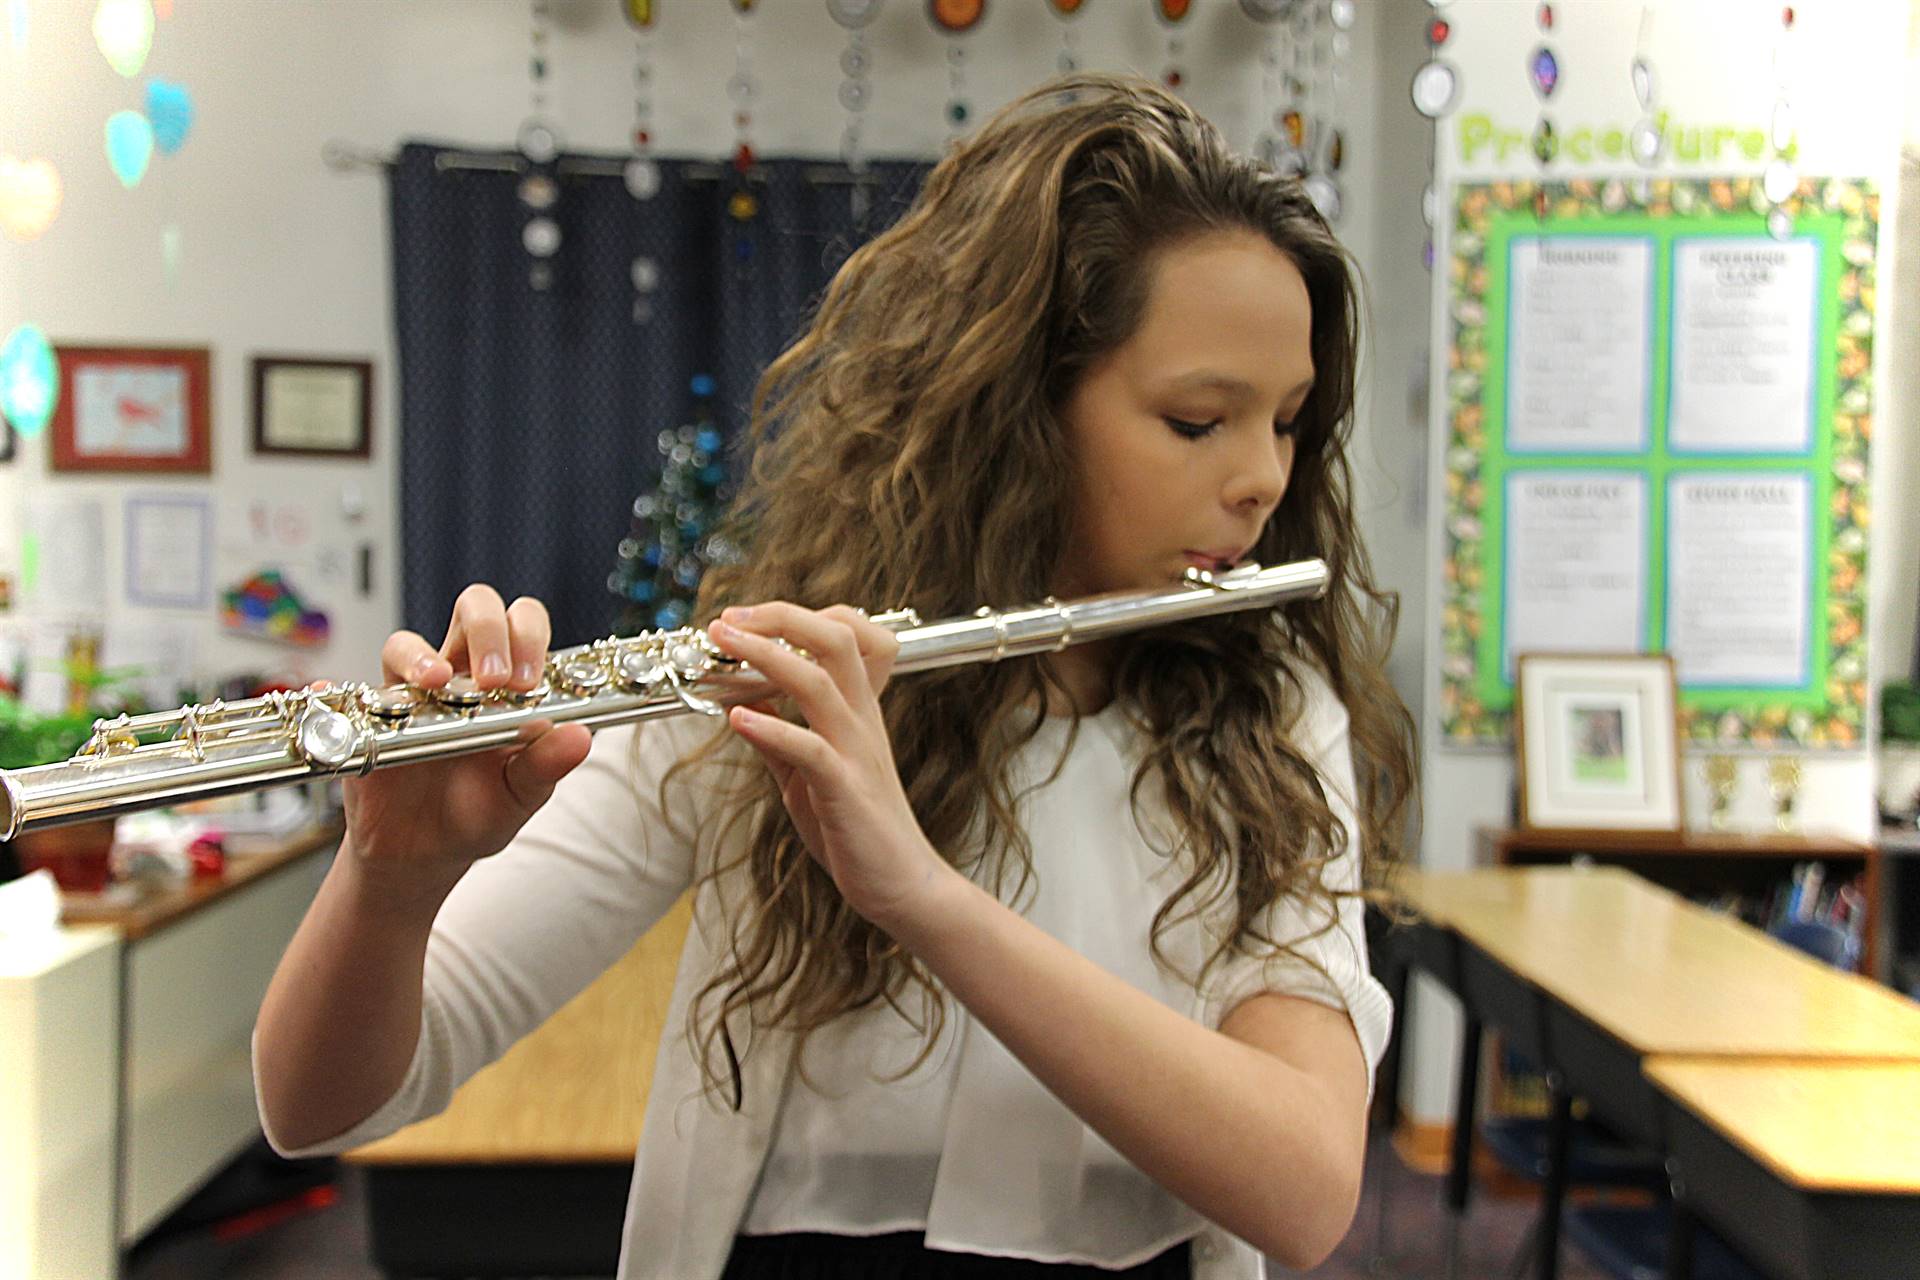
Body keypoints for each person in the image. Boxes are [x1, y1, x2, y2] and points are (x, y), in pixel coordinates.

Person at [253, 73, 1417, 1280]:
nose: (1262, 479)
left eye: (1288, 420)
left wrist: (925, 894)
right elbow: (317, 1107)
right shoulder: (780, 685)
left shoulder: (1277, 719)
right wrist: (392, 884)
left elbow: (1307, 1187)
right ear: (1019, 404)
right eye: (1197, 420)